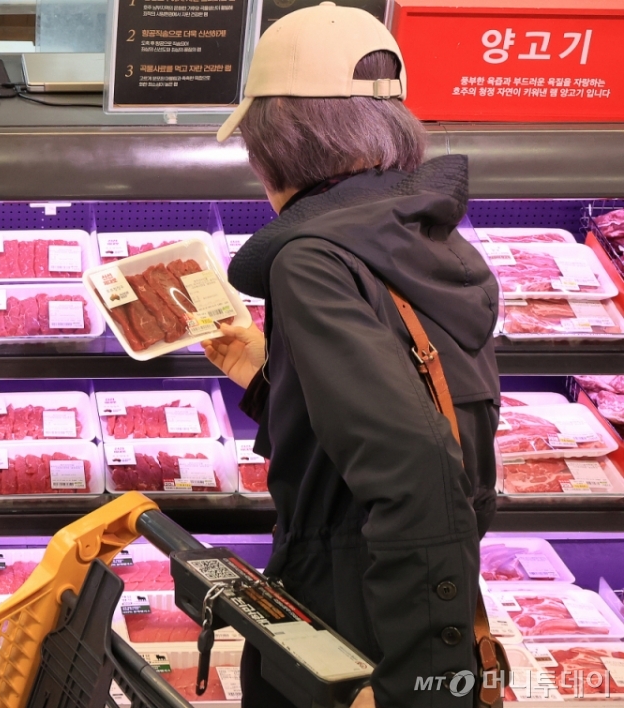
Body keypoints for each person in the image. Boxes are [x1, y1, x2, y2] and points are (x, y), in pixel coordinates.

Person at [204, 3, 501, 707]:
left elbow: (414, 466)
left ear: (274, 146)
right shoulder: (421, 234)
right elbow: (424, 414)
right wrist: (271, 380)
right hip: (410, 590)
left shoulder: (310, 260)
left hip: (357, 611)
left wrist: (412, 683)